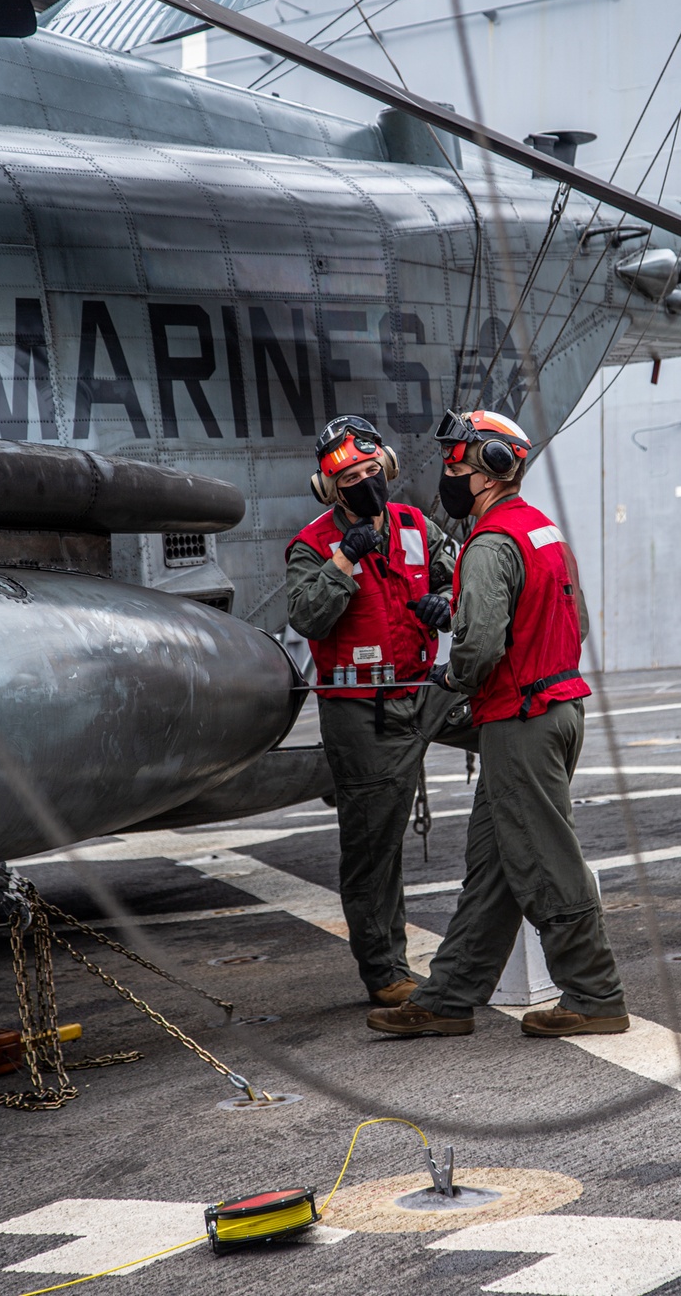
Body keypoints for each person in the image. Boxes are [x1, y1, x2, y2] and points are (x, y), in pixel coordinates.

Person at [367, 408, 628, 1039]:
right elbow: (578, 624)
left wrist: (453, 678)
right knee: (493, 867)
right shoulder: (542, 533)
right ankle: (449, 997)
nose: (449, 471)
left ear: (493, 465)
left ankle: (595, 996)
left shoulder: (489, 542)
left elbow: (480, 645)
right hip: (558, 709)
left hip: (522, 721)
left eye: (459, 459)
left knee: (544, 861)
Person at [285, 415, 456, 1007]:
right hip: (361, 710)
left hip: (421, 692)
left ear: (386, 468)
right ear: (330, 488)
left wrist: (448, 606)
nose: (363, 483)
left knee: (515, 738)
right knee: (373, 845)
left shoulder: (415, 526)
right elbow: (306, 617)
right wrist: (343, 563)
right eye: (349, 477)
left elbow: (465, 578)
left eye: (369, 471)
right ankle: (385, 972)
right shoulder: (312, 547)